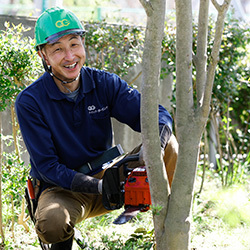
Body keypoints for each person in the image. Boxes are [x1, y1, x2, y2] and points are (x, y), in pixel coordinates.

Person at [15, 6, 178, 249]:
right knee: (53, 222)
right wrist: (100, 187)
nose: (69, 56)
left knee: (169, 144)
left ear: (83, 44)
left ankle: (162, 226)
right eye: (57, 49)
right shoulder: (31, 101)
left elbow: (158, 115)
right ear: (44, 56)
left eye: (74, 44)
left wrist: (154, 149)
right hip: (63, 190)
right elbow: (48, 167)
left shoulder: (104, 84)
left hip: (110, 175)